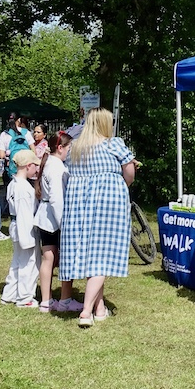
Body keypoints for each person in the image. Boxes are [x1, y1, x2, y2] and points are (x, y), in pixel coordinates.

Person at [60, 108, 137, 327]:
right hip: (107, 201)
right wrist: (122, 183)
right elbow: (129, 172)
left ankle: (99, 308)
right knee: (101, 255)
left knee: (90, 253)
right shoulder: (112, 143)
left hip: (79, 204)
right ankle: (86, 311)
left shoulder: (75, 147)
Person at [34, 131, 78, 313]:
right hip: (55, 217)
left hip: (45, 216)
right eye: (69, 148)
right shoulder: (57, 167)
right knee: (63, 258)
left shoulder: (50, 163)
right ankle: (65, 299)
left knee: (48, 258)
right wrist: (64, 224)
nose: (70, 152)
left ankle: (46, 300)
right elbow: (56, 199)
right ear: (60, 148)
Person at [1, 149, 42, 308]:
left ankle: (9, 293)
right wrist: (28, 239)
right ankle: (25, 298)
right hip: (24, 228)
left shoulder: (13, 183)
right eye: (35, 166)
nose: (36, 169)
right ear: (28, 165)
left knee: (17, 261)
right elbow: (25, 214)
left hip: (16, 226)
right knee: (29, 263)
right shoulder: (23, 188)